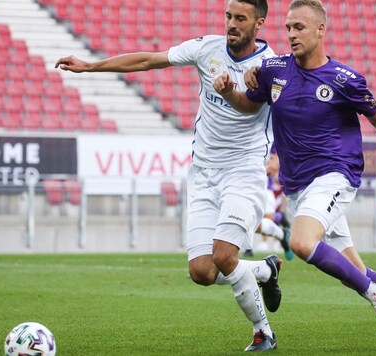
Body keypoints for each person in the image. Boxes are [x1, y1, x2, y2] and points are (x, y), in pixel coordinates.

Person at [213, 0, 376, 352]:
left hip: (336, 175)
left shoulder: (344, 79)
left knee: (302, 243)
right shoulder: (273, 69)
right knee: (356, 272)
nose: (291, 34)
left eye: (300, 27)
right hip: (298, 186)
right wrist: (232, 90)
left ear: (320, 30)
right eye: (288, 27)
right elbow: (251, 103)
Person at [55, 0, 281, 351]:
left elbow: (251, 107)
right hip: (204, 173)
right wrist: (90, 67)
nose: (231, 24)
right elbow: (148, 60)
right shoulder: (206, 48)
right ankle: (265, 271)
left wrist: (229, 91)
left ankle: (263, 332)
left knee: (224, 256)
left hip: (244, 170)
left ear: (259, 23)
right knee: (202, 272)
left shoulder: (270, 66)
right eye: (228, 16)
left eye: (241, 18)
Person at [246, 148, 294, 260]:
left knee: (265, 218)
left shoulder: (269, 138)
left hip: (263, 188)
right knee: (247, 220)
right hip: (243, 187)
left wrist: (258, 170)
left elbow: (273, 167)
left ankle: (281, 222)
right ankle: (281, 232)